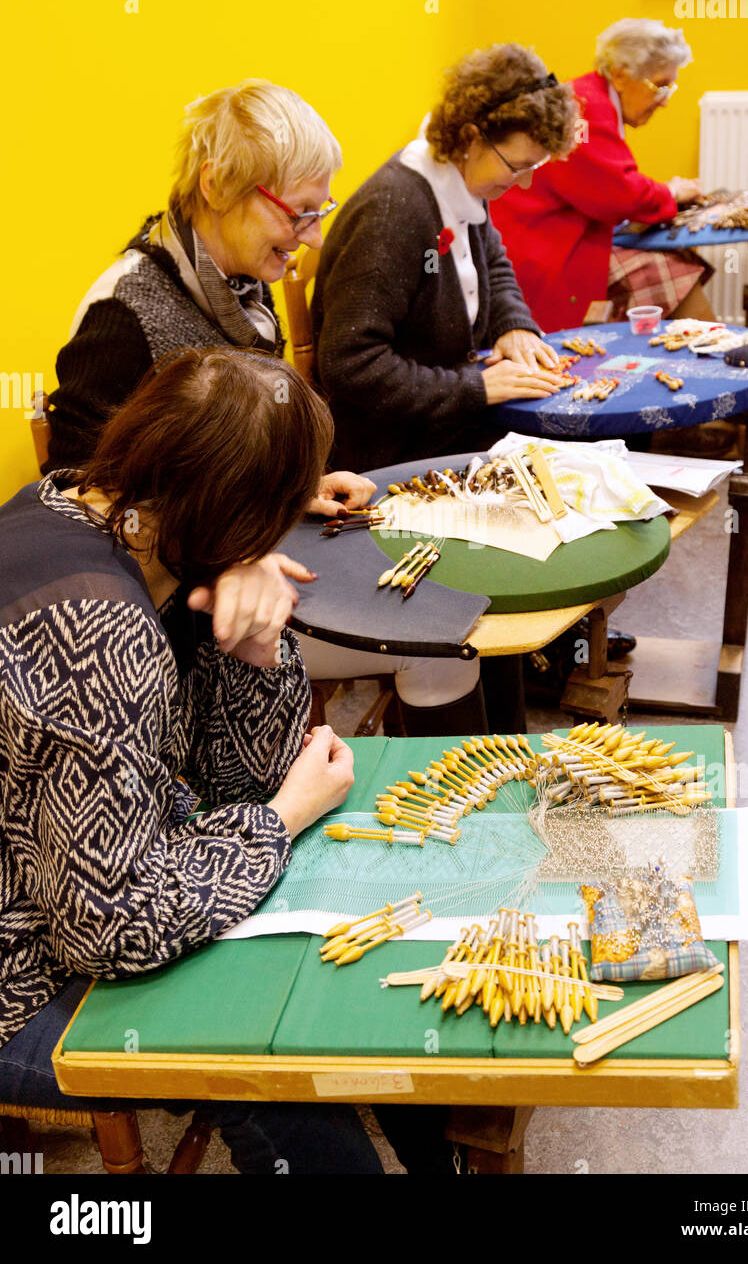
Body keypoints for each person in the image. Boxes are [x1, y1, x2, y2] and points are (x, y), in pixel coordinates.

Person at [0, 348, 454, 1174]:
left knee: (333, 931)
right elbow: (112, 929)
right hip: (20, 967)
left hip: (85, 877)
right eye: (281, 513)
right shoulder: (100, 632)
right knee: (272, 1062)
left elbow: (230, 781)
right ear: (237, 511)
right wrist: (282, 820)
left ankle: (437, 1144)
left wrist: (254, 647)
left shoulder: (77, 498)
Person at [44, 79, 484, 730]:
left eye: (319, 213)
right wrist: (227, 564)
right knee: (443, 647)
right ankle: (458, 821)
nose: (308, 239)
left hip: (240, 562)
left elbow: (218, 454)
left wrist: (291, 484)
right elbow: (80, 511)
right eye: (297, 214)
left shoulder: (240, 282)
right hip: (174, 625)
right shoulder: (122, 317)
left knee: (451, 606)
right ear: (219, 185)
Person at [491, 19, 748, 427]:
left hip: (564, 233)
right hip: (541, 247)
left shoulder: (592, 98)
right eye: (660, 85)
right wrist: (671, 193)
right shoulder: (585, 108)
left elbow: (611, 183)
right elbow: (620, 194)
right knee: (668, 267)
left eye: (670, 87)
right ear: (622, 73)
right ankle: (727, 394)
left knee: (670, 263)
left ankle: (712, 398)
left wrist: (662, 192)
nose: (665, 99)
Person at [312, 44, 577, 472]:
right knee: (565, 460)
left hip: (444, 420)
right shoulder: (393, 213)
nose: (525, 183)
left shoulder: (462, 180)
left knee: (578, 443)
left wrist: (513, 326)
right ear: (472, 137)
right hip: (389, 449)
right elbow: (349, 365)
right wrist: (474, 388)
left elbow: (491, 257)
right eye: (517, 165)